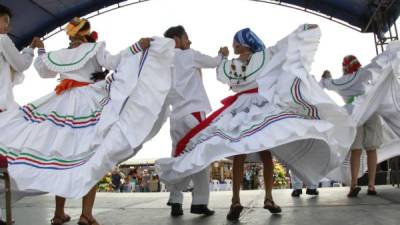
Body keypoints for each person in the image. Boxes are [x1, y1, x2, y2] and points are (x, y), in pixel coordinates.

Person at [156, 24, 356, 221]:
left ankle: (231, 200)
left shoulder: (226, 65)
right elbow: (281, 47)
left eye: (235, 42)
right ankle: (266, 197)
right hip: (260, 105)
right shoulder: (264, 57)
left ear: (242, 43)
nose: (233, 46)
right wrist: (302, 31)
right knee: (265, 151)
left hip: (233, 109)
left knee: (233, 152)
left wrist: (224, 57)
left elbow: (221, 72)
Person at [0, 16, 158, 225]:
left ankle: (59, 214)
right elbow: (114, 61)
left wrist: (41, 50)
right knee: (91, 156)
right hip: (87, 103)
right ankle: (86, 214)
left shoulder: (62, 54)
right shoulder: (94, 49)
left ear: (72, 35)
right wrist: (138, 46)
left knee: (62, 158)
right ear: (88, 34)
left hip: (60, 104)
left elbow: (43, 70)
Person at [162, 25, 228, 217]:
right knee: (201, 157)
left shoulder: (163, 60)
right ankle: (199, 202)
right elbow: (214, 62)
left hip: (175, 117)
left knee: (178, 156)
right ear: (176, 39)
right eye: (186, 38)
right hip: (194, 114)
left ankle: (175, 200)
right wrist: (222, 54)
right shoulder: (188, 55)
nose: (189, 41)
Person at [0, 4, 41, 224]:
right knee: (19, 155)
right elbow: (21, 64)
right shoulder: (2, 40)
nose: (8, 26)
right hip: (2, 112)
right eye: (6, 21)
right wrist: (31, 49)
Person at [320, 55, 382, 197]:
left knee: (356, 149)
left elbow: (327, 83)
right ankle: (371, 185)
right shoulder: (363, 73)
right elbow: (378, 67)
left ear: (344, 67)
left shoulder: (341, 82)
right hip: (371, 111)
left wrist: (326, 77)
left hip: (354, 116)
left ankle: (354, 183)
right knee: (372, 149)